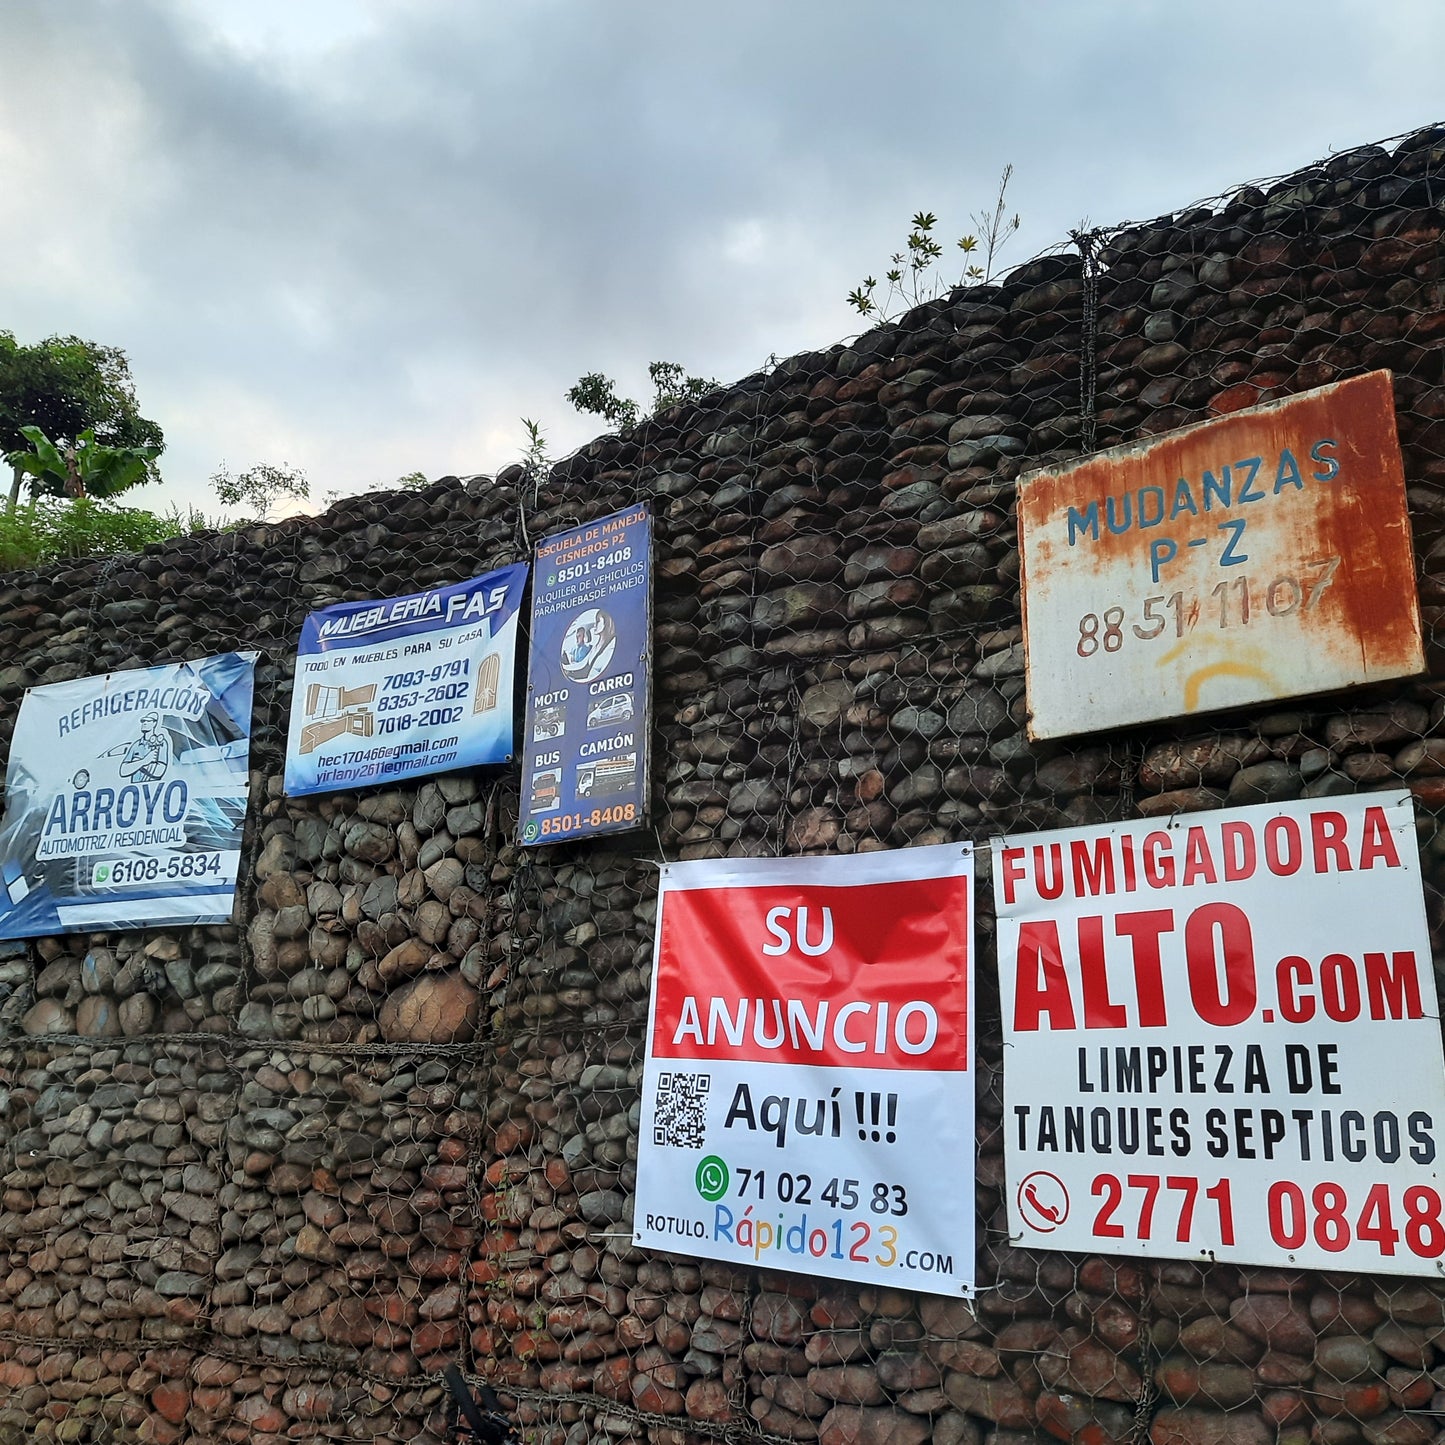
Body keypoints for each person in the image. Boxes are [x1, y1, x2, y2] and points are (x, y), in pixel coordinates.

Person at [118, 713, 169, 783]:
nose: (144, 723)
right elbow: (123, 771)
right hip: (134, 789)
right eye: (143, 721)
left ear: (154, 723)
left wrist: (135, 763)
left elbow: (159, 771)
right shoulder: (136, 745)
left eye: (148, 721)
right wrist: (144, 761)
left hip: (153, 788)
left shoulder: (161, 743)